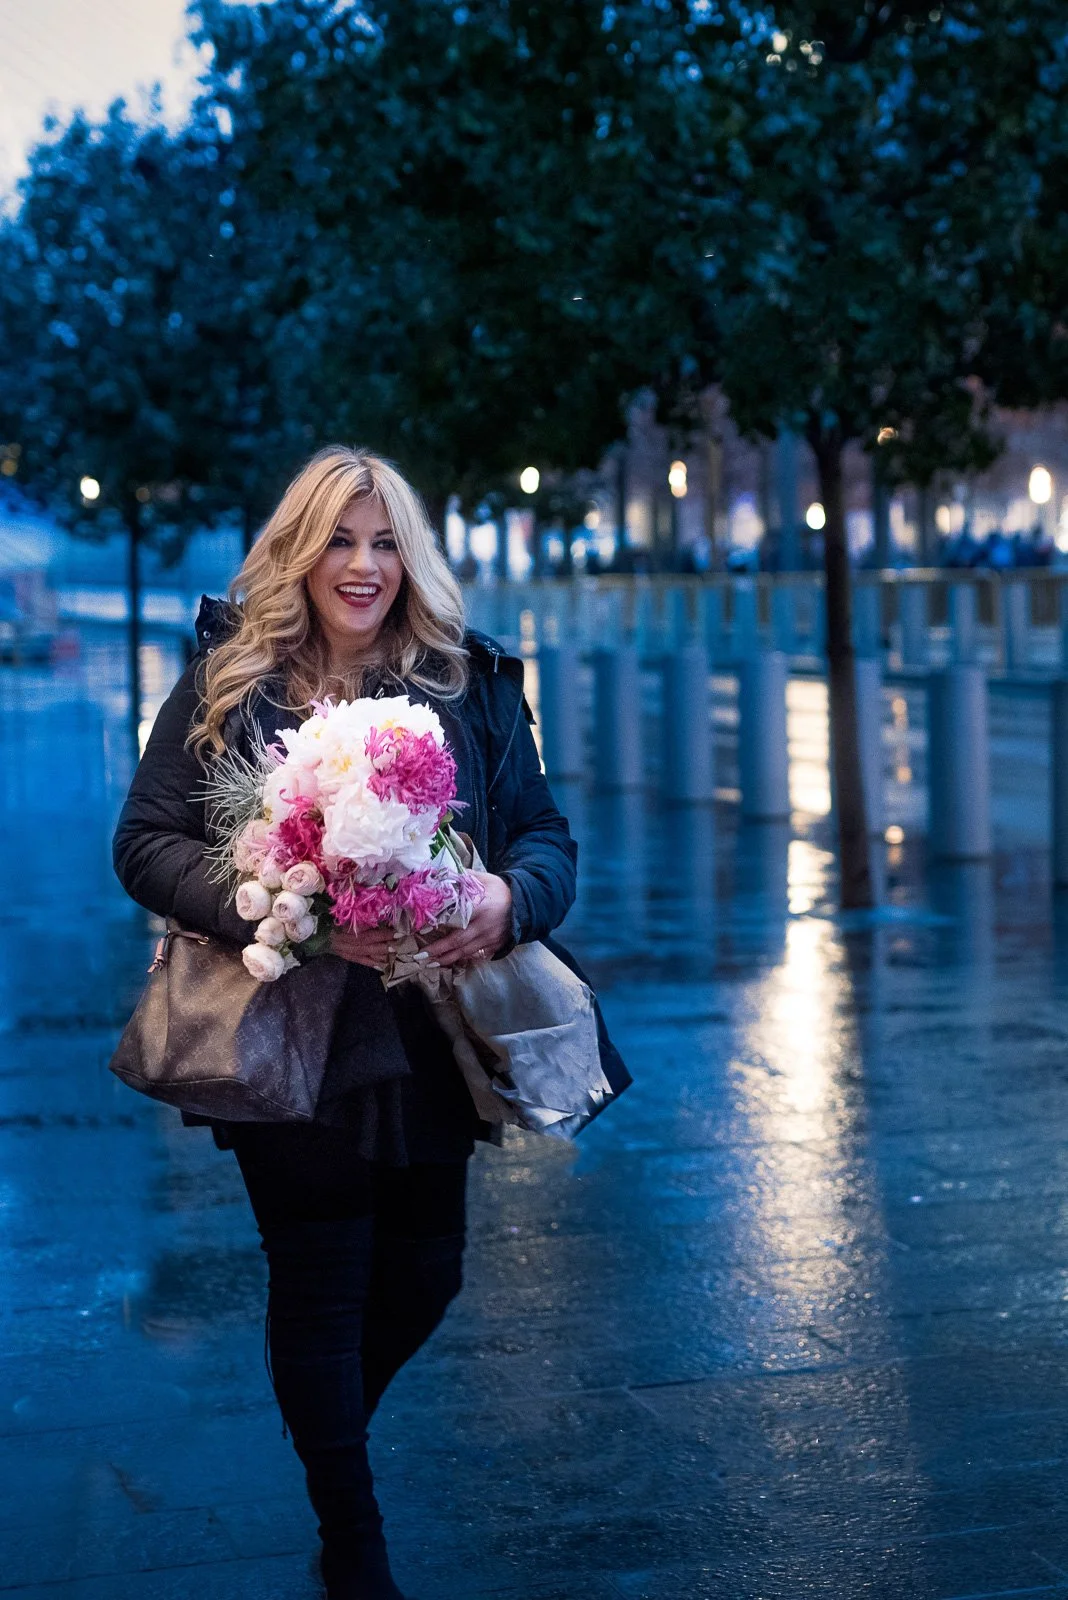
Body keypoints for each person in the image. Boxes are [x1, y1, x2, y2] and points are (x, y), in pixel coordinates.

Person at [112, 446, 629, 1600]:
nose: (363, 565)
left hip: (432, 1034)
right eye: (339, 540)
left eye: (385, 541)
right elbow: (143, 842)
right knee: (321, 1274)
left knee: (426, 1275)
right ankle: (354, 1540)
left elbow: (544, 836)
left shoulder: (473, 679)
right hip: (284, 1033)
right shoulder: (229, 681)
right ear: (300, 552)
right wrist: (275, 909)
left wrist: (504, 900)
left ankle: (325, 1425)